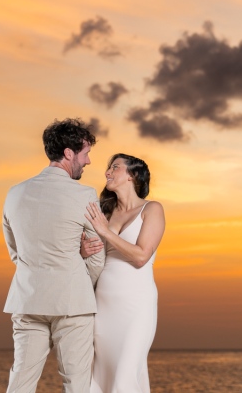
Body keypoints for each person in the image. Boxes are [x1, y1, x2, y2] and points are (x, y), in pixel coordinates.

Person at [2, 118, 106, 393]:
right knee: (77, 384)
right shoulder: (85, 194)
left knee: (20, 382)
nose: (89, 161)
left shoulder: (14, 194)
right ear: (69, 153)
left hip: (27, 298)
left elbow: (15, 252)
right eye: (85, 153)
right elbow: (97, 254)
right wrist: (82, 275)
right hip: (72, 300)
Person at [80, 153, 166, 393]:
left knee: (125, 376)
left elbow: (141, 256)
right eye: (108, 167)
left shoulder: (152, 209)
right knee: (99, 377)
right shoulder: (104, 213)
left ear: (132, 175)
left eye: (115, 167)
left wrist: (105, 232)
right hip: (103, 303)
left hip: (135, 304)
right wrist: (84, 250)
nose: (107, 172)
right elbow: (94, 256)